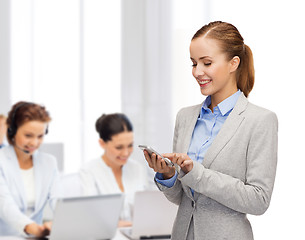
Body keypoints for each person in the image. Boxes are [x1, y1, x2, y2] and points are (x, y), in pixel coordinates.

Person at [143, 21, 278, 240]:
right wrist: (168, 175)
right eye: (193, 63)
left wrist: (197, 173)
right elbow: (185, 198)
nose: (197, 72)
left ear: (233, 63)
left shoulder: (260, 121)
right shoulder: (185, 117)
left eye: (207, 63)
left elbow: (258, 200)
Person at [0, 101, 61, 237]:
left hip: (37, 237)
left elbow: (58, 200)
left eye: (40, 136)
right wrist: (34, 229)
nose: (34, 143)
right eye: (28, 136)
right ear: (12, 132)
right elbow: (5, 206)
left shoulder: (49, 162)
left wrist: (61, 222)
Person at [79, 113, 148, 227]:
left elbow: (147, 209)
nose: (126, 153)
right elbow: (91, 218)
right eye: (119, 147)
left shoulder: (138, 169)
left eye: (130, 145)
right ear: (102, 143)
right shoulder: (89, 171)